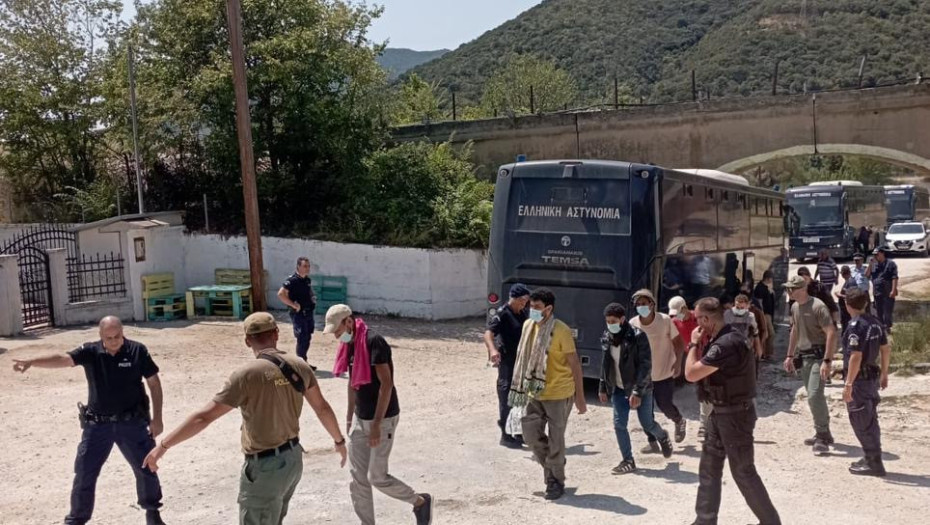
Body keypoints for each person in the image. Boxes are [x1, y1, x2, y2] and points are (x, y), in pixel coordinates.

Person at [141, 312, 347, 525]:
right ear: (276, 334)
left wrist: (163, 446)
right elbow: (322, 408)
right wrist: (339, 441)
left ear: (247, 341)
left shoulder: (245, 375)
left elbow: (204, 417)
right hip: (292, 460)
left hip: (265, 466)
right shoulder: (299, 365)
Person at [12, 316, 166, 525]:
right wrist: (33, 362)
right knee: (84, 472)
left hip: (132, 423)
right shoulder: (91, 351)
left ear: (123, 332)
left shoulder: (137, 350)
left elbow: (154, 383)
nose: (113, 341)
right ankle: (76, 520)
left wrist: (157, 418)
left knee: (146, 467)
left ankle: (152, 513)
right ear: (100, 336)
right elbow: (63, 359)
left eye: (117, 336)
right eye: (108, 337)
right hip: (98, 426)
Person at [323, 304, 433, 524]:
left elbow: (386, 385)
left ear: (349, 321)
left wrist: (376, 426)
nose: (337, 336)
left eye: (337, 330)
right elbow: (353, 384)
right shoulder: (350, 345)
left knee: (377, 477)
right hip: (359, 418)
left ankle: (419, 501)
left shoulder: (374, 342)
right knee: (358, 478)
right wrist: (348, 417)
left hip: (382, 419)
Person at [685, 297, 781, 525]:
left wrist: (692, 345)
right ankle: (705, 520)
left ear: (706, 319)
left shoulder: (725, 344)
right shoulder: (724, 336)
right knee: (709, 467)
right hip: (720, 412)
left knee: (743, 472)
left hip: (735, 416)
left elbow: (690, 374)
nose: (696, 324)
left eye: (698, 318)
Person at [508, 288, 586, 500]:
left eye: (537, 308)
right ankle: (554, 468)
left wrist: (580, 397)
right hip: (534, 393)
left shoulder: (561, 331)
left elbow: (574, 365)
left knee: (556, 440)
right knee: (530, 437)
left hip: (559, 393)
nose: (532, 311)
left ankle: (555, 481)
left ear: (549, 309)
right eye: (531, 306)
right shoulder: (528, 325)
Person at [598, 303, 673, 475]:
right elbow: (605, 363)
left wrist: (638, 392)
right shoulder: (607, 336)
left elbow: (645, 366)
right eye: (608, 321)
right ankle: (628, 460)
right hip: (618, 388)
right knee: (619, 425)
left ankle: (662, 436)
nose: (610, 324)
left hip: (641, 388)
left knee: (647, 423)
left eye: (614, 321)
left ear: (622, 319)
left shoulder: (638, 336)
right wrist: (603, 386)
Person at [783, 275, 838, 456]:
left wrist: (828, 361)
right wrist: (790, 355)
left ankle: (822, 434)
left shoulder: (818, 306)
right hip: (804, 357)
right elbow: (795, 331)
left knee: (815, 394)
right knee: (811, 395)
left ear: (802, 289)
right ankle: (823, 432)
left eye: (791, 289)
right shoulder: (794, 307)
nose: (788, 292)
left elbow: (831, 333)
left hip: (818, 357)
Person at [842, 289, 892, 477]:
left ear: (847, 305)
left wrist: (848, 385)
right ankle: (871, 456)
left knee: (861, 419)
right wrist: (885, 373)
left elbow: (855, 356)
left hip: (859, 381)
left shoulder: (856, 326)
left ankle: (874, 462)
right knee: (870, 419)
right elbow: (885, 348)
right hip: (871, 377)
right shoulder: (876, 323)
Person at [631, 289, 687, 446]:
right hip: (643, 377)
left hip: (663, 373)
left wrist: (677, 364)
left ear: (651, 304)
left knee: (665, 405)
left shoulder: (664, 320)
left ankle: (679, 420)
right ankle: (653, 442)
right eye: (638, 304)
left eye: (644, 303)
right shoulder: (633, 323)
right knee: (645, 412)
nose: (641, 306)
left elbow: (679, 344)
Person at [482, 283, 530, 448]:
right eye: (523, 300)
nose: (525, 303)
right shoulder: (503, 314)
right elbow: (488, 333)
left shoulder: (523, 313)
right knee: (507, 396)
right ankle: (506, 435)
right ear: (515, 298)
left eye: (526, 300)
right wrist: (493, 350)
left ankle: (517, 432)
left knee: (520, 397)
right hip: (508, 362)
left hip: (522, 362)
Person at [277, 256, 318, 369]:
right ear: (298, 267)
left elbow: (308, 291)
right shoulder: (292, 280)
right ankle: (301, 365)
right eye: (305, 266)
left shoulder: (307, 280)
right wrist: (292, 305)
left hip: (308, 312)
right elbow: (281, 294)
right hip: (298, 314)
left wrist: (312, 297)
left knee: (308, 337)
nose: (307, 268)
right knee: (302, 338)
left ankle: (303, 362)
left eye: (308, 266)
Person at [868, 247, 899, 332]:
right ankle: (881, 328)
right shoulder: (874, 265)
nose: (875, 257)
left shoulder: (890, 264)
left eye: (877, 255)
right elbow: (867, 275)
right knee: (879, 311)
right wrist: (870, 264)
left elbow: (894, 277)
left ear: (882, 254)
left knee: (887, 312)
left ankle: (887, 327)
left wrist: (893, 290)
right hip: (877, 292)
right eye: (874, 255)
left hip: (887, 291)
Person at [724, 294, 763, 359]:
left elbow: (755, 332)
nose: (739, 310)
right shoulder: (727, 314)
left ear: (747, 306)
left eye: (742, 308)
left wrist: (758, 348)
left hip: (743, 344)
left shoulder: (750, 316)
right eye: (737, 307)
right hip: (729, 343)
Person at [753, 271, 777, 360]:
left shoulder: (766, 288)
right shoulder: (760, 288)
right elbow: (759, 303)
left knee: (767, 334)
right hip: (765, 314)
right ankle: (766, 353)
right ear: (768, 278)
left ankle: (766, 353)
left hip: (768, 314)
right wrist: (761, 315)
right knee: (770, 334)